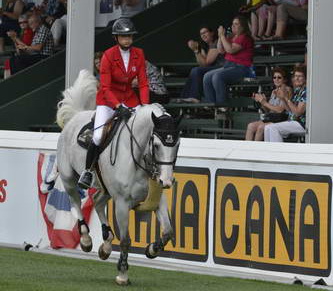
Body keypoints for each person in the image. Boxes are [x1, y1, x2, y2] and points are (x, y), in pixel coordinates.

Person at [78, 18, 149, 189]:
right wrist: (117, 106)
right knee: (97, 135)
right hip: (108, 101)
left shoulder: (139, 53)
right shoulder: (108, 56)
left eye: (130, 37)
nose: (127, 40)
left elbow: (143, 83)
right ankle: (88, 171)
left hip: (130, 99)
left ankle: (151, 169)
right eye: (123, 37)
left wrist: (145, 106)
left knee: (146, 129)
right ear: (116, 38)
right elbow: (105, 87)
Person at [202, 15, 254, 106]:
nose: (233, 26)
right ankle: (211, 105)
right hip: (229, 66)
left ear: (243, 26)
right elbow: (221, 50)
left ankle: (222, 106)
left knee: (217, 76)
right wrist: (220, 36)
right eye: (233, 24)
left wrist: (222, 36)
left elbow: (230, 50)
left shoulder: (244, 37)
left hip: (242, 68)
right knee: (207, 76)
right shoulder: (231, 37)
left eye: (236, 24)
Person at [180, 26, 225, 103]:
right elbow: (202, 64)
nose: (203, 35)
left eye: (205, 32)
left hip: (222, 68)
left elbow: (207, 63)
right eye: (201, 34)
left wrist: (196, 50)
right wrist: (196, 50)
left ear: (212, 33)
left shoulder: (217, 42)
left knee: (196, 70)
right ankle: (185, 98)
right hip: (213, 70)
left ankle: (195, 97)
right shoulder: (205, 47)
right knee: (194, 71)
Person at [245, 67, 292, 141]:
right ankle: (247, 150)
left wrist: (265, 102)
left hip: (281, 120)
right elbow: (268, 110)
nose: (276, 79)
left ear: (285, 79)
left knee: (260, 127)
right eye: (274, 77)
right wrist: (261, 101)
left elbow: (280, 110)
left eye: (279, 77)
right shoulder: (274, 91)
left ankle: (256, 151)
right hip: (271, 118)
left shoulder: (287, 90)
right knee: (250, 126)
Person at [264, 65, 306, 142]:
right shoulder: (298, 90)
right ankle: (269, 152)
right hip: (292, 121)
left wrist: (286, 98)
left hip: (301, 124)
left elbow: (297, 113)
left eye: (300, 76)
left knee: (273, 128)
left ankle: (278, 153)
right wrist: (282, 98)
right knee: (267, 127)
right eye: (295, 76)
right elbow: (289, 110)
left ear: (305, 78)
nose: (296, 78)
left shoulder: (306, 91)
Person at [4, 14, 33, 78]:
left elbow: (25, 47)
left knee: (10, 62)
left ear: (28, 22)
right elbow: (18, 48)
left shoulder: (30, 31)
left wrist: (15, 37)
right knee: (8, 62)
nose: (22, 24)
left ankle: (7, 82)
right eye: (20, 23)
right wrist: (13, 38)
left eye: (24, 22)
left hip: (30, 54)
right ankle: (6, 82)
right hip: (23, 54)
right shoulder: (23, 31)